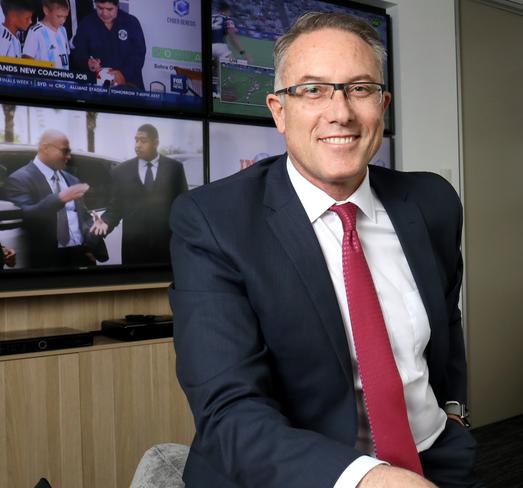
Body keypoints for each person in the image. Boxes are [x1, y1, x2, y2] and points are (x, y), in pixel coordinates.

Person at [169, 11, 482, 488]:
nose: (341, 112)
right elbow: (229, 410)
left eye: (360, 89)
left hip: (435, 462)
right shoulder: (214, 221)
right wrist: (368, 479)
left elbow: (447, 321)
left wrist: (455, 414)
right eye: (312, 90)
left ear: (384, 105)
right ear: (278, 110)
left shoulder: (432, 201)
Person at [4, 129, 107, 268]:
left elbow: (83, 217)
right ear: (46, 148)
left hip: (82, 257)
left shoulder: (72, 179)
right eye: (65, 151)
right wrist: (59, 199)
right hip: (48, 261)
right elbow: (29, 216)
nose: (69, 157)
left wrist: (90, 245)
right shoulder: (19, 179)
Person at [90, 124, 187, 265]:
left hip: (167, 249)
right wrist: (104, 223)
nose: (138, 145)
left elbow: (183, 206)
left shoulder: (175, 168)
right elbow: (115, 209)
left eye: (143, 141)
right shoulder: (121, 171)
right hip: (134, 251)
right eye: (136, 140)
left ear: (156, 142)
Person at [70, 0, 145, 88]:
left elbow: (139, 54)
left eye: (109, 9)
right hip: (98, 89)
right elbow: (78, 53)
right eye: (100, 8)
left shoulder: (131, 22)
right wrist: (88, 63)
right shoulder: (86, 23)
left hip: (130, 86)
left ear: (117, 6)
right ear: (95, 5)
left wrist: (124, 75)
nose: (104, 13)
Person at [22, 0, 70, 70]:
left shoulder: (63, 30)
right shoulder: (36, 31)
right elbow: (26, 61)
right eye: (59, 16)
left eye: (65, 17)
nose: (63, 21)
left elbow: (66, 57)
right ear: (46, 11)